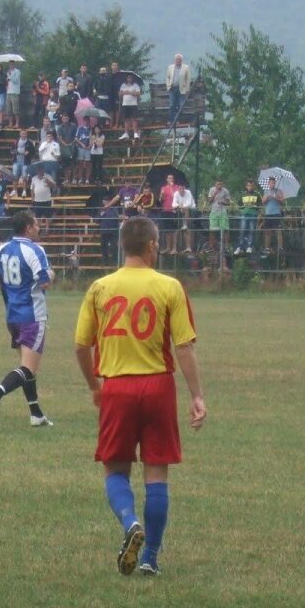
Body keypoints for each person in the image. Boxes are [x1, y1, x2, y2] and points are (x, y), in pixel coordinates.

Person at [74, 216, 206, 576]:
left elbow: (81, 345)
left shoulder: (100, 287)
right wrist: (197, 395)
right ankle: (150, 557)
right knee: (157, 473)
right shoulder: (170, 286)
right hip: (158, 387)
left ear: (122, 246)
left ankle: (130, 520)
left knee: (115, 468)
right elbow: (184, 346)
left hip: (117, 387)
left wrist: (94, 387)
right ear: (151, 246)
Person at [0, 211, 53, 426]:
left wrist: (8, 284)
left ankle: (36, 414)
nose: (39, 229)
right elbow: (45, 282)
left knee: (26, 367)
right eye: (37, 224)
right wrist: (52, 275)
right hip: (32, 315)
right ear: (28, 228)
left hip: (12, 316)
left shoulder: (1, 249)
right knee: (28, 368)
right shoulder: (35, 250)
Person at [165, 54, 192, 129]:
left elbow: (188, 79)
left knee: (180, 105)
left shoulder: (186, 67)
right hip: (172, 88)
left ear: (181, 60)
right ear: (175, 60)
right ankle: (171, 120)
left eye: (179, 59)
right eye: (177, 59)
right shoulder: (170, 67)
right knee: (172, 105)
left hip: (181, 89)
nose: (178, 61)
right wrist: (168, 86)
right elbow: (167, 77)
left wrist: (187, 89)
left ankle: (177, 120)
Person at [235, 180, 261, 256]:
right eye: (249, 185)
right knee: (242, 230)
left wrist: (256, 207)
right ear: (246, 186)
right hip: (244, 214)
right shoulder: (243, 195)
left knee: (251, 230)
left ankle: (249, 246)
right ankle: (239, 246)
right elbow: (239, 204)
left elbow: (260, 205)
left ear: (254, 186)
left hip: (253, 214)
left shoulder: (257, 194)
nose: (250, 187)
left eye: (251, 185)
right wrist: (242, 211)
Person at [261, 176, 285, 254]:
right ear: (268, 183)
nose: (272, 184)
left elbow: (282, 201)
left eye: (273, 182)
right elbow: (263, 202)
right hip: (268, 214)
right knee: (268, 232)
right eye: (271, 182)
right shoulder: (266, 191)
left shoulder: (279, 191)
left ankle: (280, 247)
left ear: (275, 183)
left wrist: (276, 197)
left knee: (278, 231)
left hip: (276, 213)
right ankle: (267, 248)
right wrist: (268, 197)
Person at [206, 180, 231, 254]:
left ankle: (226, 246)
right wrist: (214, 194)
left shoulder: (226, 191)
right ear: (215, 184)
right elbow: (209, 201)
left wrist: (223, 202)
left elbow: (228, 202)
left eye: (220, 184)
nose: (219, 185)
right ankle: (211, 246)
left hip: (223, 212)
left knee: (225, 229)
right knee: (212, 230)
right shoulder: (212, 190)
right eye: (218, 184)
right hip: (214, 212)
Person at [118, 74, 142, 141]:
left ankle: (135, 133)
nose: (129, 79)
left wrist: (129, 92)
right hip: (125, 104)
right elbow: (120, 94)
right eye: (128, 77)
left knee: (134, 119)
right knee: (126, 119)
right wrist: (124, 92)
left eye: (130, 77)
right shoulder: (123, 85)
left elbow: (138, 94)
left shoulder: (135, 85)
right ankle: (126, 133)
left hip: (133, 104)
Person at [5, 60, 21, 127]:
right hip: (9, 92)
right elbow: (8, 81)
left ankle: (17, 123)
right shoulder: (8, 72)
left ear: (14, 64)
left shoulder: (17, 71)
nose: (11, 65)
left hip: (15, 92)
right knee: (9, 109)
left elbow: (16, 81)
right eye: (10, 64)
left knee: (15, 109)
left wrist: (10, 76)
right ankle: (10, 123)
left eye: (12, 64)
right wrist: (8, 78)